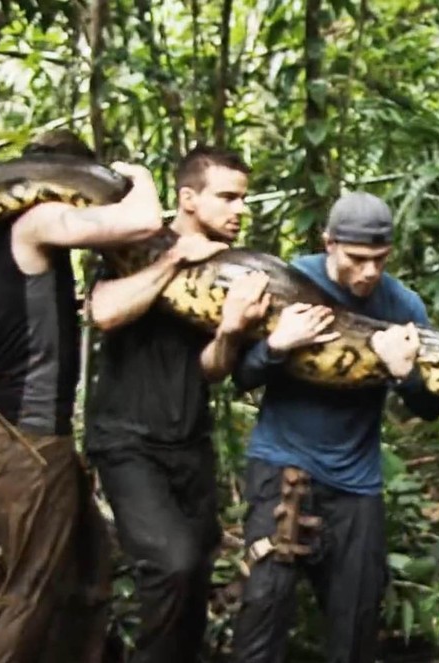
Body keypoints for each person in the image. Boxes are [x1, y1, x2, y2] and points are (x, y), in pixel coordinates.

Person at [230, 191, 439, 663]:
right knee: (264, 609)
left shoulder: (402, 306)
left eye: (380, 259)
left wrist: (405, 373)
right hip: (282, 465)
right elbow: (242, 377)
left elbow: (428, 408)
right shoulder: (290, 281)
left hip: (356, 483)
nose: (370, 272)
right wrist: (276, 345)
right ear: (328, 243)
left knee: (356, 622)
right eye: (356, 259)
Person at [0, 129, 164, 663]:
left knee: (86, 567)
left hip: (31, 429)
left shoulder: (3, 231)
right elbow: (143, 222)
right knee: (32, 587)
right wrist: (140, 179)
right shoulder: (35, 220)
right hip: (26, 432)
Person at [82, 145, 269, 662]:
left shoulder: (232, 269)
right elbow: (105, 312)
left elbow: (211, 369)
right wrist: (174, 259)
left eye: (243, 198)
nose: (240, 209)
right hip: (126, 440)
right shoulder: (136, 244)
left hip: (189, 440)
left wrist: (231, 330)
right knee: (173, 563)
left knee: (197, 565)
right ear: (188, 199)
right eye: (227, 197)